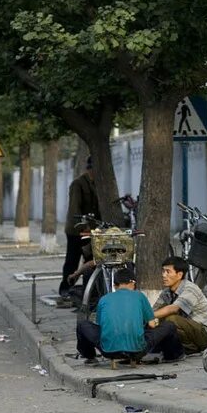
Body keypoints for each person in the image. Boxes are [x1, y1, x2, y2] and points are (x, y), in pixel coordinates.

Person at [75, 267, 183, 365]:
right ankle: (172, 356)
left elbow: (100, 326)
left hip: (108, 351)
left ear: (115, 286)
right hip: (137, 351)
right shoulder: (139, 296)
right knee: (169, 325)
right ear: (132, 283)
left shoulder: (104, 299)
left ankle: (90, 356)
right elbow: (152, 324)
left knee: (82, 325)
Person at [153, 256, 207, 354]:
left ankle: (190, 349)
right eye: (163, 271)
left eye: (168, 272)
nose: (164, 275)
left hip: (205, 335)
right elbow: (154, 310)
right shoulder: (166, 292)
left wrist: (147, 316)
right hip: (188, 331)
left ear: (179, 275)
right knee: (159, 314)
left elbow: (173, 309)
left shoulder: (190, 288)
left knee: (171, 319)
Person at [59, 156, 100, 299]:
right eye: (94, 169)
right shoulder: (78, 184)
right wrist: (84, 227)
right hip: (76, 230)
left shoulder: (98, 184)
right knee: (72, 260)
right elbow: (74, 209)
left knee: (91, 261)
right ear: (89, 169)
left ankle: (87, 291)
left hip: (91, 231)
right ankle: (65, 288)